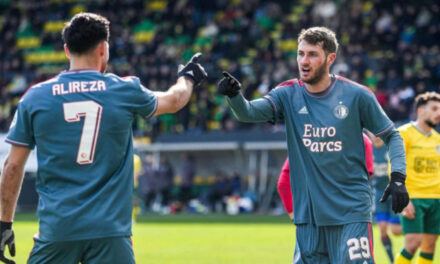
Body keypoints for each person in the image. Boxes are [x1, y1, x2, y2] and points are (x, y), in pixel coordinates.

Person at [0, 12, 207, 264]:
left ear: (66, 50)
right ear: (104, 48)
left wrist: (4, 224)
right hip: (110, 234)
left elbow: (12, 165)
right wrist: (188, 77)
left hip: (58, 231)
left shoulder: (35, 97)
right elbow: (174, 101)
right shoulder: (124, 90)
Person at [219, 26, 409, 263]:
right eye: (300, 54)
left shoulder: (356, 95)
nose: (304, 61)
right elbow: (248, 113)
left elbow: (393, 135)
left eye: (312, 54)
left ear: (330, 58)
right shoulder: (287, 93)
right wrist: (234, 96)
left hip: (350, 213)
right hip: (309, 217)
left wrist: (398, 177)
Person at [278, 133, 374, 263]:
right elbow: (362, 184)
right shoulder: (361, 140)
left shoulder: (307, 139)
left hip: (311, 222)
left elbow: (283, 183)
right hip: (349, 221)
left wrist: (297, 217)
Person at [394, 92, 440, 264]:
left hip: (436, 198)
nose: (438, 113)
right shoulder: (404, 133)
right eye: (434, 109)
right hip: (413, 196)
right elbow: (395, 167)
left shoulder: (438, 139)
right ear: (421, 111)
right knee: (413, 243)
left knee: (429, 246)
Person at [370, 134, 402, 264]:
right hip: (378, 194)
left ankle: (414, 232)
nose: (375, 135)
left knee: (396, 231)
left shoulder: (389, 148)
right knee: (382, 229)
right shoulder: (367, 148)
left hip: (393, 193)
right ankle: (392, 260)